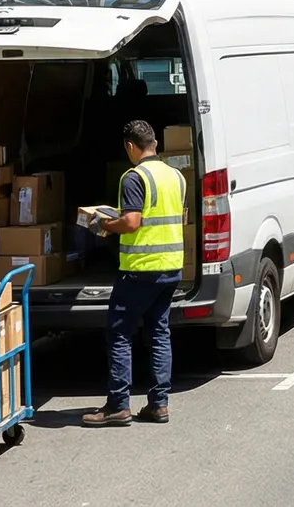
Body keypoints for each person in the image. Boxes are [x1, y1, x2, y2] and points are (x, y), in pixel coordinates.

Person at [84, 121, 190, 426]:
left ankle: (118, 404)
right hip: (171, 269)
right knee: (158, 333)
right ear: (154, 143)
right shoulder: (176, 176)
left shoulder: (134, 177)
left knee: (119, 333)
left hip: (140, 270)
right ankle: (159, 404)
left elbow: (131, 222)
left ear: (131, 147)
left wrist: (103, 224)